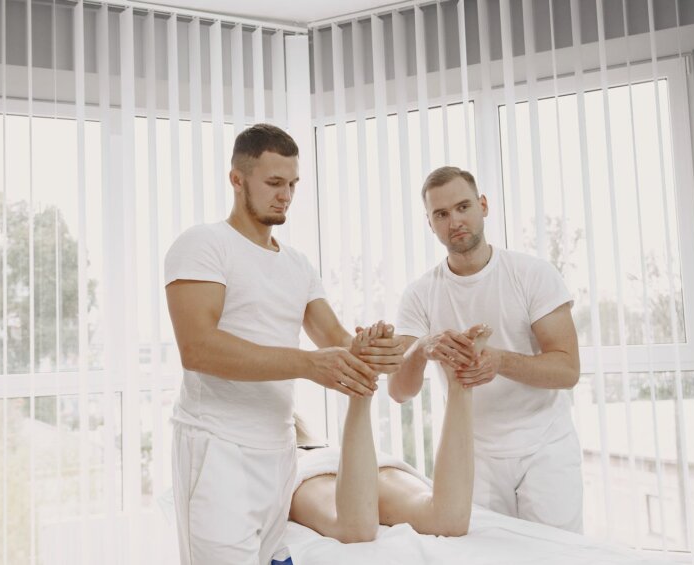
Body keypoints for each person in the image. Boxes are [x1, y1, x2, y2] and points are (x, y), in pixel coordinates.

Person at [164, 124, 406, 565]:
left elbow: (336, 341)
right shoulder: (204, 244)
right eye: (274, 183)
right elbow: (197, 348)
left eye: (293, 184)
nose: (286, 195)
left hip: (279, 449)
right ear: (237, 179)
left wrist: (372, 348)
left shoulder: (297, 264)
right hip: (217, 445)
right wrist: (309, 365)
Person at [382, 166, 584, 532]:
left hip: (546, 445)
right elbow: (399, 391)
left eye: (462, 207)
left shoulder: (533, 274)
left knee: (558, 555)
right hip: (474, 454)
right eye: (440, 214)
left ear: (483, 206)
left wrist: (499, 361)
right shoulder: (419, 294)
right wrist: (423, 348)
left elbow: (568, 370)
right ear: (430, 224)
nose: (454, 221)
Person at [289, 322, 492, 542]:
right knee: (446, 520)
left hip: (312, 463)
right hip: (338, 460)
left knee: (356, 528)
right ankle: (460, 382)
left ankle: (362, 388)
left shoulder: (281, 434)